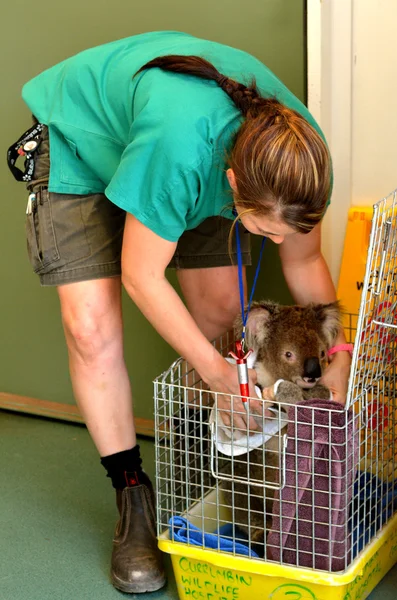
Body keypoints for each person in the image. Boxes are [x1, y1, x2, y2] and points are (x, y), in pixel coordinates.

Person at [9, 31, 351, 595]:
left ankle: (210, 466)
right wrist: (219, 378)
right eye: (265, 230)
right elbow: (140, 276)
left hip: (188, 150)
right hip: (81, 142)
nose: (276, 240)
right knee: (90, 329)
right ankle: (132, 493)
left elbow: (306, 257)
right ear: (233, 184)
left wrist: (337, 355)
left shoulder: (301, 162)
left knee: (219, 313)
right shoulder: (182, 151)